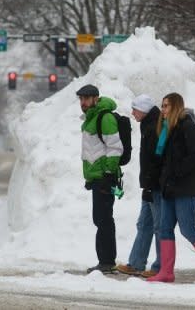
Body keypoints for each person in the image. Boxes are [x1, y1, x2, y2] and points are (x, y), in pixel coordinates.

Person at [147, 92, 195, 284]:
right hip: (169, 187)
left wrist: (176, 173)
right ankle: (166, 272)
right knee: (165, 228)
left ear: (176, 107)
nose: (163, 110)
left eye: (166, 106)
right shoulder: (168, 129)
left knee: (188, 229)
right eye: (162, 105)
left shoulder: (188, 126)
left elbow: (194, 156)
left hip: (186, 188)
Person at [77, 84, 123, 275]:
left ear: (96, 98)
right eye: (81, 99)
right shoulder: (91, 119)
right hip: (97, 178)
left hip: (105, 178)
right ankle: (104, 260)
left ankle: (107, 261)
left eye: (87, 99)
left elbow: (115, 148)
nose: (83, 102)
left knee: (104, 219)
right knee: (100, 218)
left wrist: (108, 174)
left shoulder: (105, 117)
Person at [116, 94, 162, 278]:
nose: (132, 112)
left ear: (143, 109)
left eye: (135, 108)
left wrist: (151, 185)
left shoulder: (154, 128)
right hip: (149, 185)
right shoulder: (147, 125)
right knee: (144, 224)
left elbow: (156, 160)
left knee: (159, 227)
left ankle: (160, 267)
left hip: (156, 186)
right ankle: (136, 263)